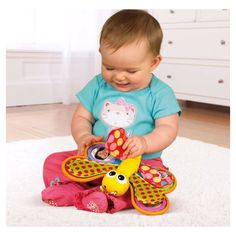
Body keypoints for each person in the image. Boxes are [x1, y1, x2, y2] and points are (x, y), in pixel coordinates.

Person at [41, 9, 181, 213]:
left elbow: (168, 128)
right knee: (54, 162)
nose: (119, 77)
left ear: (154, 62)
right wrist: (83, 136)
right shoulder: (97, 86)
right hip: (97, 158)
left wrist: (145, 143)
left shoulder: (160, 93)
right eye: (109, 67)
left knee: (151, 185)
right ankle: (76, 189)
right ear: (101, 55)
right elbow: (81, 116)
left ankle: (111, 198)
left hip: (139, 164)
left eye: (131, 71)